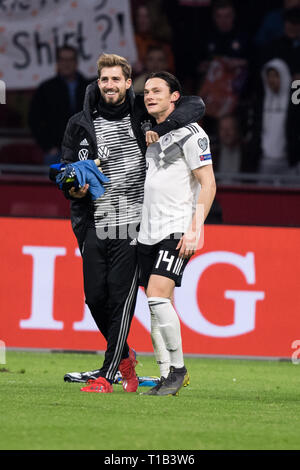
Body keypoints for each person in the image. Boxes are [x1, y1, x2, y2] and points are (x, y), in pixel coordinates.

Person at [52, 54, 206, 394]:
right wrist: (73, 187)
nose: (109, 85)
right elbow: (65, 172)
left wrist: (161, 129)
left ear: (126, 83)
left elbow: (195, 105)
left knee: (122, 299)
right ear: (98, 82)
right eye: (104, 79)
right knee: (94, 297)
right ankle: (124, 357)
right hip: (96, 220)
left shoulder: (142, 111)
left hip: (134, 222)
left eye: (116, 80)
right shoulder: (79, 123)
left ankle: (108, 375)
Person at [137, 71, 216, 396]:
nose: (149, 95)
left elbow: (208, 183)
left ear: (174, 97)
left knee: (157, 293)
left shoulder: (193, 134)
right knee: (158, 302)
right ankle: (166, 373)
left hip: (176, 228)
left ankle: (179, 368)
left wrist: (195, 228)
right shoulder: (149, 130)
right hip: (147, 230)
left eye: (157, 90)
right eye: (146, 92)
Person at [28, 46, 91, 165]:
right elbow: (34, 120)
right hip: (56, 153)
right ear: (57, 63)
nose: (66, 64)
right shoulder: (46, 88)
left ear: (76, 62)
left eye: (70, 60)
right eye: (62, 60)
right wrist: (48, 147)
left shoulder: (89, 88)